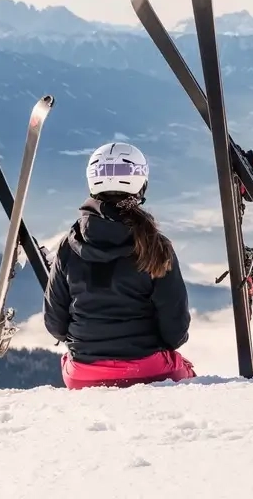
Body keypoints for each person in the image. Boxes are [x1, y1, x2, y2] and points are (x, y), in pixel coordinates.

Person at [43, 141, 197, 389]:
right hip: (147, 369)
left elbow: (55, 325)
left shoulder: (67, 246)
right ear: (141, 183)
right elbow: (175, 331)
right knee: (186, 369)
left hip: (83, 374)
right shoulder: (156, 247)